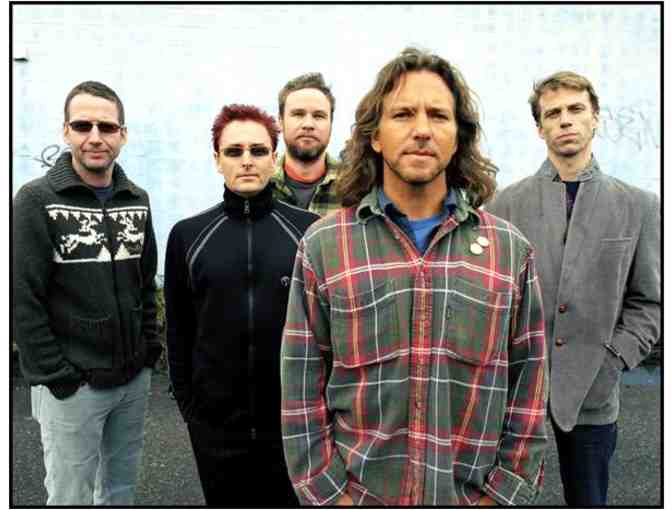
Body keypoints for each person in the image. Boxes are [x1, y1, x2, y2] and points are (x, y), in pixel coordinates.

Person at [280, 47, 548, 506]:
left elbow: (529, 387)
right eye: (403, 114)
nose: (422, 129)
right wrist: (331, 495)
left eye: (438, 115)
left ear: (458, 137)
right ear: (375, 136)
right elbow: (300, 387)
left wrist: (503, 495)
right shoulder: (325, 246)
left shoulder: (509, 251)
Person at [487, 71, 660, 506]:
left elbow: (649, 302)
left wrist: (615, 357)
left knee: (588, 499)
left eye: (576, 109)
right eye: (553, 113)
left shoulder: (639, 206)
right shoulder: (504, 205)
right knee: (498, 498)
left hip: (593, 390)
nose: (565, 120)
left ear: (595, 118)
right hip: (514, 390)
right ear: (539, 128)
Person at [13, 80, 161, 505]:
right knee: (70, 496)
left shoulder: (137, 199)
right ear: (66, 131)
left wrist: (148, 352)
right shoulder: (35, 200)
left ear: (123, 134)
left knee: (119, 491)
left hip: (131, 381)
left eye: (107, 127)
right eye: (82, 125)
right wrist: (57, 377)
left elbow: (145, 284)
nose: (95, 137)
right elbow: (21, 299)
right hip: (72, 389)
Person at [164, 104, 319, 506]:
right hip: (216, 431)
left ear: (274, 158)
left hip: (291, 428)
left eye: (257, 150)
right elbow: (179, 329)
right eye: (234, 151)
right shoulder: (188, 236)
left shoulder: (308, 232)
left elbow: (325, 331)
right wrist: (191, 410)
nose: (246, 160)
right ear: (218, 160)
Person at [271, 72, 342, 216]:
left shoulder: (355, 185)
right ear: (280, 121)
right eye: (298, 114)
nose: (308, 124)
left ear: (331, 123)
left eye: (319, 116)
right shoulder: (261, 185)